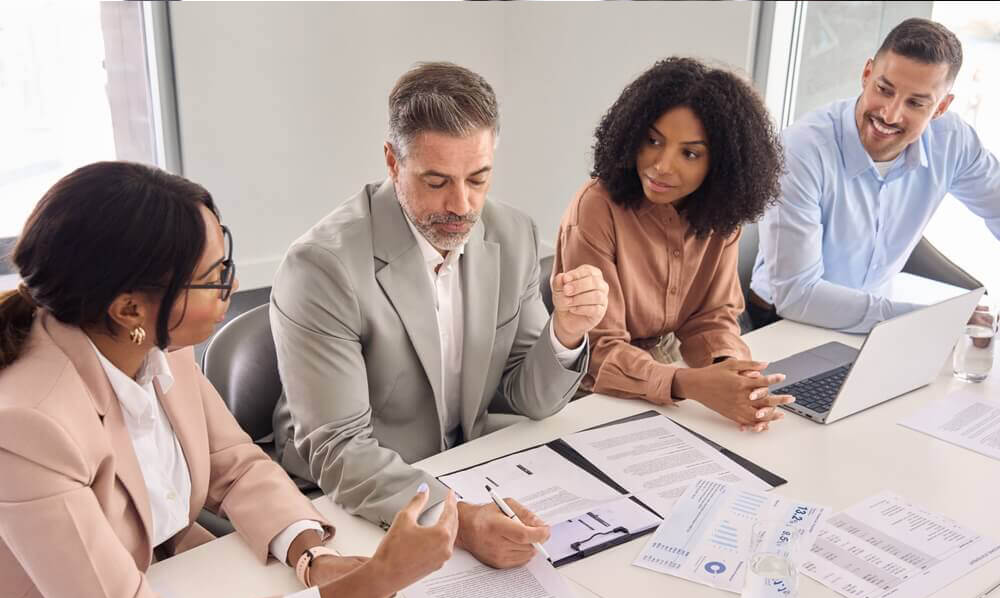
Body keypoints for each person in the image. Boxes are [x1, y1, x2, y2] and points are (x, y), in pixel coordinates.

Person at [0, 162, 459, 598]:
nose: (232, 285)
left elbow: (235, 464)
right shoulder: (30, 427)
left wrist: (313, 558)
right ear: (129, 310)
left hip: (170, 580)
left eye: (227, 259)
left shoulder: (152, 341)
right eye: (212, 277)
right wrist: (368, 584)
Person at [270, 61, 609, 569]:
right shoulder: (321, 266)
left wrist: (566, 332)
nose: (462, 204)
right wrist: (461, 520)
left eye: (479, 178)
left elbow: (526, 398)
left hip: (465, 465)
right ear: (391, 161)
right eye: (435, 181)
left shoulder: (512, 234)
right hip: (351, 499)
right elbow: (339, 451)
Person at [554, 57, 792, 432]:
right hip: (591, 395)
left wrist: (729, 373)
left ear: (721, 164)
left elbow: (711, 318)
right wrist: (690, 384)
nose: (662, 166)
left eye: (690, 153)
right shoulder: (596, 207)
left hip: (668, 377)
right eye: (652, 141)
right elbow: (598, 351)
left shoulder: (720, 213)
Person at [749, 17, 1000, 333]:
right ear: (867, 74)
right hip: (785, 320)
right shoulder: (800, 150)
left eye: (915, 103)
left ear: (941, 107)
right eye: (884, 89)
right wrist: (927, 323)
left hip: (875, 318)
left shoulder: (952, 140)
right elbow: (797, 295)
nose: (890, 114)